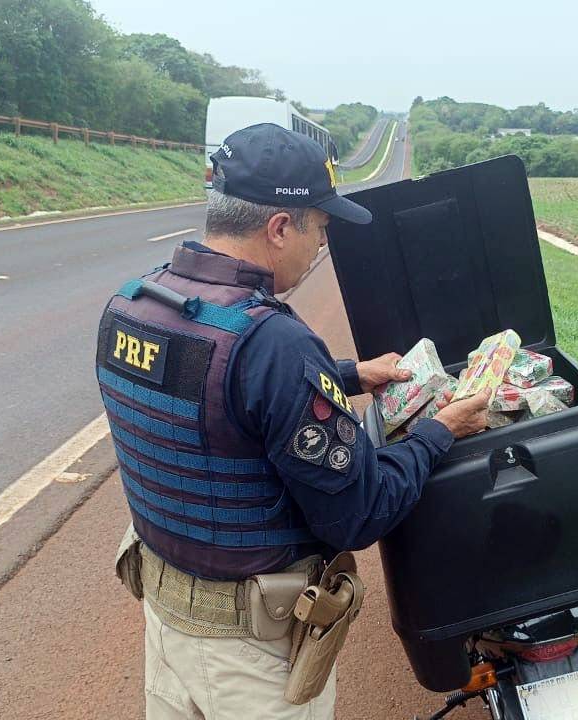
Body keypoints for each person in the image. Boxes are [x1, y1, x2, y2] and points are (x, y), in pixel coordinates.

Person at [96, 122, 489, 720]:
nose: (321, 249)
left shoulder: (134, 304)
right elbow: (362, 512)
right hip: (250, 661)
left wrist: (349, 375)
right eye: (322, 232)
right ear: (281, 228)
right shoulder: (274, 345)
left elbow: (219, 403)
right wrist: (441, 432)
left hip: (167, 623)